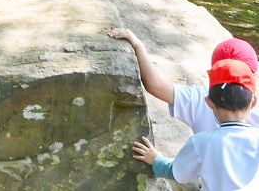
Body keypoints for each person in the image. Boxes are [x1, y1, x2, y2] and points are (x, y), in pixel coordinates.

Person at [132, 59, 259, 189]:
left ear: (209, 103)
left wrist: (155, 160)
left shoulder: (202, 142)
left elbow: (178, 174)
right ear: (253, 102)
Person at [109, 29, 259, 132]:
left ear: (213, 72)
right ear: (253, 74)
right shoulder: (254, 107)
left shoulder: (200, 99)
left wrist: (138, 45)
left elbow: (155, 85)